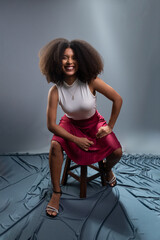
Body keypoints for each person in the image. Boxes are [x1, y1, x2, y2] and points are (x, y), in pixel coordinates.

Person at [39, 38, 123, 217]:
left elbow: (118, 99)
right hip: (70, 125)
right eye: (64, 58)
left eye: (74, 57)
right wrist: (75, 139)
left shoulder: (91, 81)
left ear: (81, 60)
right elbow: (51, 125)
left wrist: (109, 126)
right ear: (56, 61)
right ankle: (56, 193)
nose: (69, 62)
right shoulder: (55, 91)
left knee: (117, 152)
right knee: (54, 146)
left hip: (93, 123)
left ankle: (107, 171)